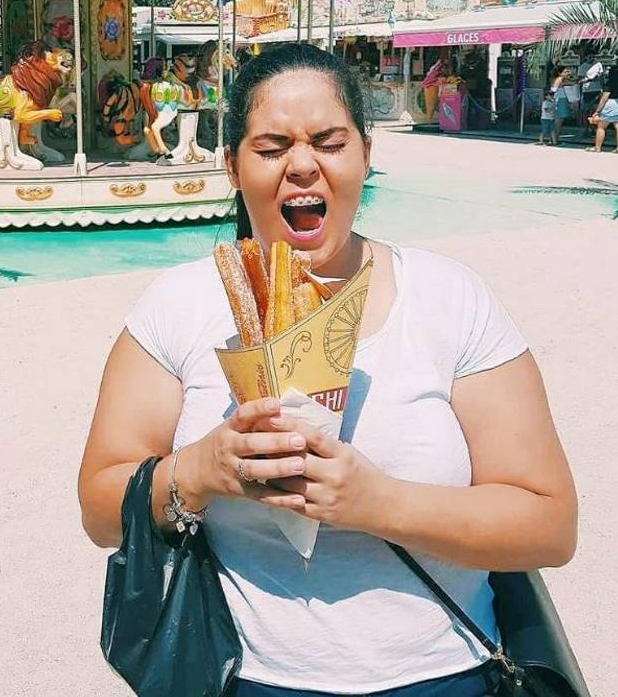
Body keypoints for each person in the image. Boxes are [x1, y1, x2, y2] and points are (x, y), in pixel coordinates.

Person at [79, 42, 577, 697]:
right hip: (242, 677)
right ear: (232, 165)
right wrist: (200, 471)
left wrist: (380, 503)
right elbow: (99, 508)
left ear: (367, 154)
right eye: (272, 146)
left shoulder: (450, 299)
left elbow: (550, 524)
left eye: (329, 142)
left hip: (444, 676)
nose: (303, 165)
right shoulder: (176, 307)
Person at [587, 62, 618, 152]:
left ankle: (597, 147)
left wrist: (597, 111)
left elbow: (604, 98)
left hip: (611, 103)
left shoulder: (610, 83)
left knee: (601, 126)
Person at [551, 66, 573, 145]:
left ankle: (555, 138)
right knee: (558, 121)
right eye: (565, 72)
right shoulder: (559, 80)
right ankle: (554, 140)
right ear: (560, 73)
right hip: (560, 101)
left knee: (560, 121)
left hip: (562, 100)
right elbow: (553, 89)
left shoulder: (564, 80)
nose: (567, 73)